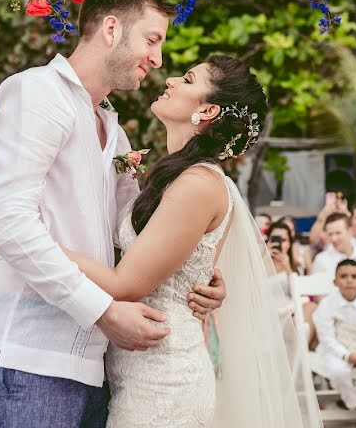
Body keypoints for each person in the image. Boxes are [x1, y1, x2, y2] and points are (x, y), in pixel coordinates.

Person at [0, 0, 232, 428]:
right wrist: (103, 311)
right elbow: (10, 225)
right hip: (34, 357)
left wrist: (202, 271)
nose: (158, 59)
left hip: (100, 363)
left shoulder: (115, 130)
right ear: (111, 29)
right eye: (151, 40)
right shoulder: (35, 95)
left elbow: (134, 232)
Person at [50, 55, 318, 427]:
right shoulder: (178, 176)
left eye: (188, 80)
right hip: (139, 368)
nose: (171, 79)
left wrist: (36, 243)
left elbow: (125, 284)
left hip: (163, 381)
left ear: (207, 110)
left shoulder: (197, 185)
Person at [313, 259, 356, 411]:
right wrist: (346, 355)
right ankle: (354, 403)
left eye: (354, 277)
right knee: (339, 371)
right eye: (344, 276)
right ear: (335, 281)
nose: (349, 281)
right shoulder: (327, 304)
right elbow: (326, 338)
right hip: (335, 350)